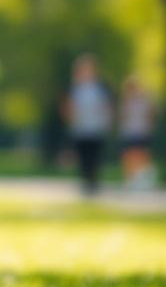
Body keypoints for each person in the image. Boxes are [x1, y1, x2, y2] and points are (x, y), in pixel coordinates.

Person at [63, 53, 112, 196]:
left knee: (95, 157)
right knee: (83, 157)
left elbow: (106, 106)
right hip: (80, 129)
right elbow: (68, 108)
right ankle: (86, 183)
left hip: (96, 128)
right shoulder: (75, 89)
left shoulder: (100, 88)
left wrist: (107, 121)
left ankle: (94, 183)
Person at [117, 75, 156, 189]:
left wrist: (149, 128)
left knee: (142, 155)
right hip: (128, 132)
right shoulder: (125, 102)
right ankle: (129, 179)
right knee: (128, 155)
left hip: (141, 131)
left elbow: (150, 116)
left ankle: (145, 177)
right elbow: (122, 117)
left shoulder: (144, 101)